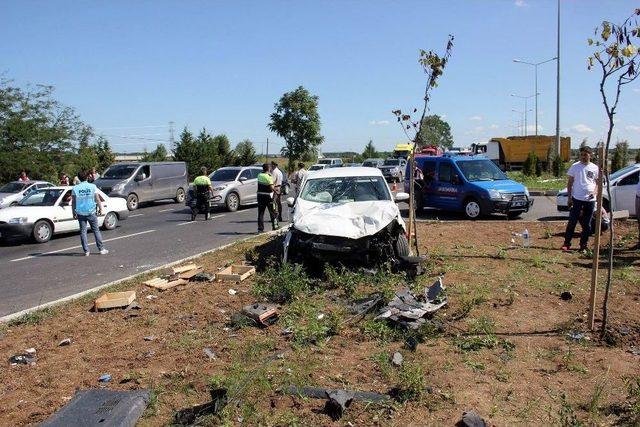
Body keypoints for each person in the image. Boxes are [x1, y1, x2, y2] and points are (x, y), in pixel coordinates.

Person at [562, 146, 599, 251]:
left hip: (590, 200)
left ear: (590, 155)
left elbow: (597, 183)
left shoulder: (594, 168)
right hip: (577, 199)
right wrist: (569, 198)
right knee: (572, 222)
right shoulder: (575, 166)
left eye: (585, 155)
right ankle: (567, 243)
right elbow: (570, 183)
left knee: (587, 224)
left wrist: (594, 192)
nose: (583, 157)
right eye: (581, 155)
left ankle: (583, 244)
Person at [72, 171, 108, 256]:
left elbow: (73, 202)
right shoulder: (92, 186)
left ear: (79, 178)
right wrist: (100, 208)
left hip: (81, 213)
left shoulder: (75, 188)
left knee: (83, 232)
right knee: (96, 230)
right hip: (91, 211)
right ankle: (101, 249)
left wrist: (73, 212)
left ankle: (86, 251)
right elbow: (97, 198)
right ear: (87, 177)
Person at [257, 163, 278, 232]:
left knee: (261, 213)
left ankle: (260, 228)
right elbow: (271, 187)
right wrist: (276, 190)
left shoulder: (259, 175)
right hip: (268, 196)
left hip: (260, 196)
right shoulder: (268, 176)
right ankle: (275, 226)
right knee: (272, 212)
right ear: (268, 169)